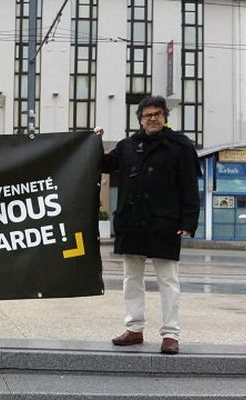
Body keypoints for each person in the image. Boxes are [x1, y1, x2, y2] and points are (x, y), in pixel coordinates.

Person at [96, 95, 200, 355]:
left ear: (165, 118)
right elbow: (105, 164)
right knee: (132, 278)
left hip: (165, 224)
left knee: (168, 280)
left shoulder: (180, 146)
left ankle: (171, 334)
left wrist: (189, 221)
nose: (152, 118)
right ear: (140, 119)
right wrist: (93, 142)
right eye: (147, 115)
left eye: (157, 114)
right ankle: (134, 329)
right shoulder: (128, 146)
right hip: (132, 222)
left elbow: (189, 186)